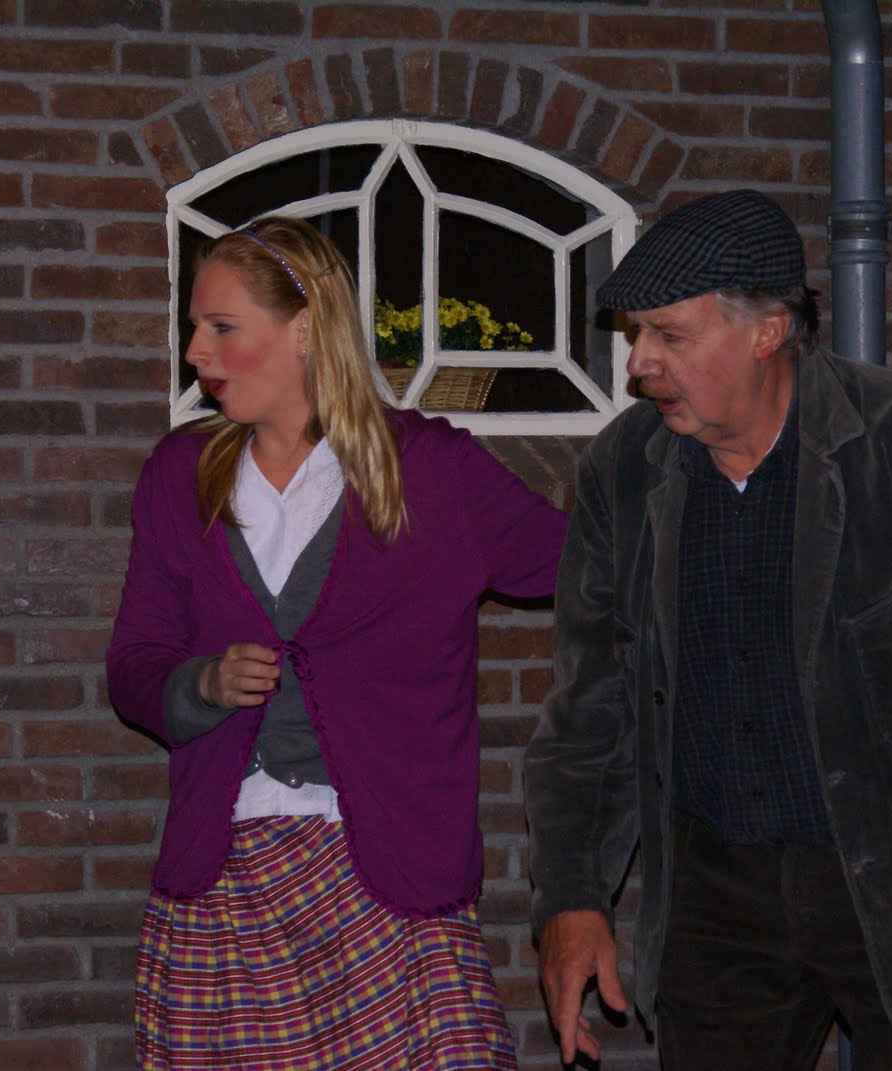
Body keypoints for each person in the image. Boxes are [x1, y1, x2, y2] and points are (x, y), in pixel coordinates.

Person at [523, 190, 892, 1071]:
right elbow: (589, 706)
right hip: (718, 887)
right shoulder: (625, 469)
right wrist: (571, 892)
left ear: (768, 330)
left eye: (669, 334)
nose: (639, 362)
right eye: (637, 334)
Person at [107, 216, 567, 1071]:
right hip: (227, 880)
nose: (196, 352)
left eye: (222, 326)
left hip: (392, 884)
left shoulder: (430, 471)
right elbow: (132, 666)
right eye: (194, 327)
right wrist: (200, 685)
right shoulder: (179, 476)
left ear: (306, 328)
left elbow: (587, 565)